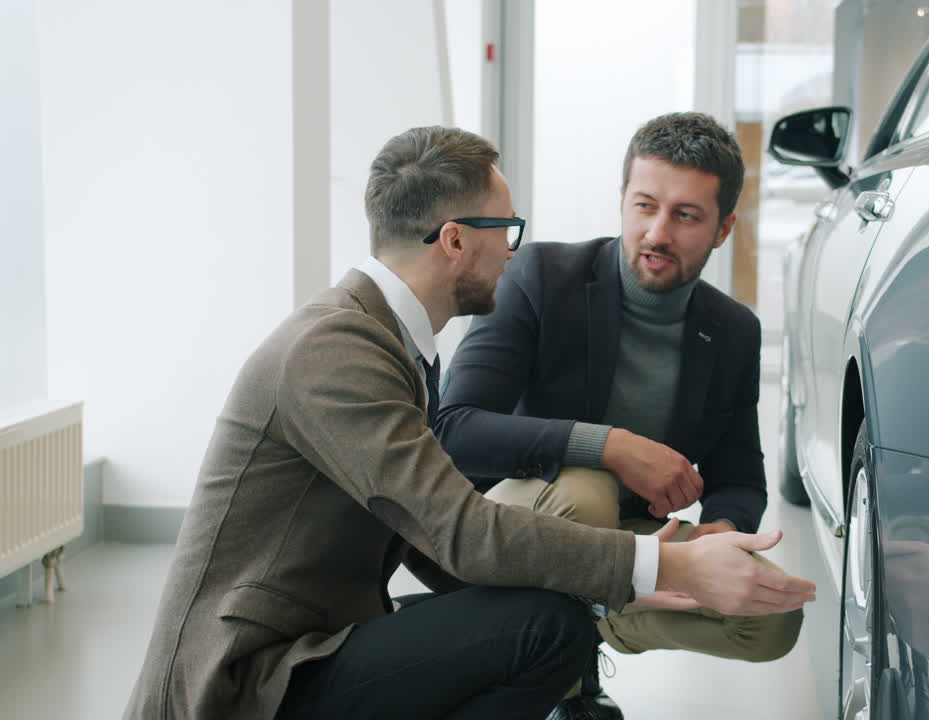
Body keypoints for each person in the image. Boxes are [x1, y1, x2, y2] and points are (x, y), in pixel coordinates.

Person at [123, 126, 815, 720]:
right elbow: (457, 529)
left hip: (308, 648)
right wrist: (662, 563)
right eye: (505, 230)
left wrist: (603, 595)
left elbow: (422, 535)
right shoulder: (335, 351)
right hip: (247, 683)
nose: (513, 250)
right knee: (545, 630)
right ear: (455, 241)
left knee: (555, 623)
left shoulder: (384, 339)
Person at [435, 112, 804, 720]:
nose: (657, 232)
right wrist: (608, 445)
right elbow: (453, 428)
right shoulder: (540, 276)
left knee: (771, 616)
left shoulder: (735, 330)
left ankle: (574, 645)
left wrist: (720, 530)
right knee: (587, 488)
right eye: (645, 206)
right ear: (623, 201)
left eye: (686, 215)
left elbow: (740, 473)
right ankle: (553, 683)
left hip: (624, 551)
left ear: (723, 227)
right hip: (509, 528)